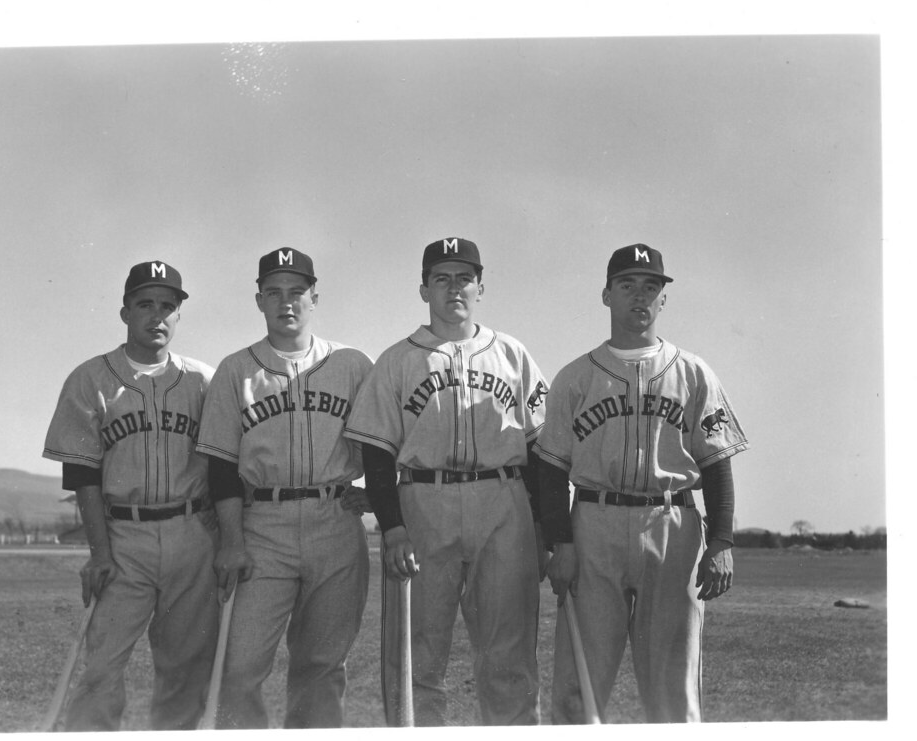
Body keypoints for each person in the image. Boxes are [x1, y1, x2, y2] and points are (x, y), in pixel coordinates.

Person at [535, 243, 750, 723]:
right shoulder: (575, 377)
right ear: (606, 296)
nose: (640, 297)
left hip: (672, 524)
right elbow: (550, 470)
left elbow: (715, 463)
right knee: (579, 688)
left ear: (664, 299)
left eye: (650, 287)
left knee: (674, 689)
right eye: (627, 285)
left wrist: (721, 541)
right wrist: (560, 543)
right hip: (594, 523)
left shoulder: (694, 373)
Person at [344, 237, 549, 726]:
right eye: (442, 278)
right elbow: (377, 452)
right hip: (422, 502)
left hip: (503, 501)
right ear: (424, 289)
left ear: (481, 287)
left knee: (509, 656)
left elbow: (542, 449)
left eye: (464, 278)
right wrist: (392, 527)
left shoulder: (513, 354)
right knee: (416, 656)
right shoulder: (398, 359)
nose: (454, 287)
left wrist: (543, 529)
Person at [195, 247, 372, 729]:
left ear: (315, 297)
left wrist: (377, 494)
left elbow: (384, 443)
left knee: (321, 665)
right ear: (259, 300)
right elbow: (221, 464)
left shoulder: (353, 364)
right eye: (274, 292)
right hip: (262, 524)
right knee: (240, 665)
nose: (286, 302)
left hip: (334, 519)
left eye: (296, 292)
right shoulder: (236, 370)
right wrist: (231, 540)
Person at [42, 260, 218, 731]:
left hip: (192, 533)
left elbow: (224, 468)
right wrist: (98, 551)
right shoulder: (91, 378)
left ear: (178, 316)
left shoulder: (204, 380)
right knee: (101, 668)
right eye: (145, 304)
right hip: (123, 538)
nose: (157, 316)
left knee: (184, 671)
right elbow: (81, 473)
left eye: (168, 306)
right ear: (124, 313)